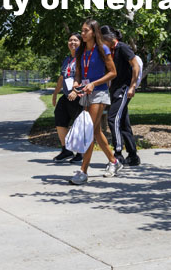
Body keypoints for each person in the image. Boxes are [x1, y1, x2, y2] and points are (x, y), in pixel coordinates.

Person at [68, 19, 119, 185]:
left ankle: (83, 171)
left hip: (99, 93)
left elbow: (113, 73)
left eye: (85, 31)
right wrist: (76, 83)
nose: (82, 34)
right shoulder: (81, 51)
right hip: (85, 93)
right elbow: (78, 73)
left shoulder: (103, 49)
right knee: (96, 131)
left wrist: (94, 83)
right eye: (82, 31)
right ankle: (114, 162)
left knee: (88, 131)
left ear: (94, 32)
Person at [101, 26, 141, 166]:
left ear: (109, 38)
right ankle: (133, 156)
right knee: (123, 121)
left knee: (113, 119)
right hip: (115, 89)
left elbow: (136, 65)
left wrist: (132, 86)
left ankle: (118, 153)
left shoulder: (122, 48)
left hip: (124, 89)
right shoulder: (108, 51)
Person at [50, 33, 84, 162]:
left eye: (75, 40)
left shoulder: (82, 58)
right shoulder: (67, 59)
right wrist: (55, 94)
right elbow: (62, 78)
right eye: (70, 40)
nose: (72, 42)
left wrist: (76, 91)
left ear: (81, 43)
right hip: (66, 95)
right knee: (60, 121)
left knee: (78, 124)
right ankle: (66, 150)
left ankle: (81, 152)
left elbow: (82, 78)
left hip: (79, 96)